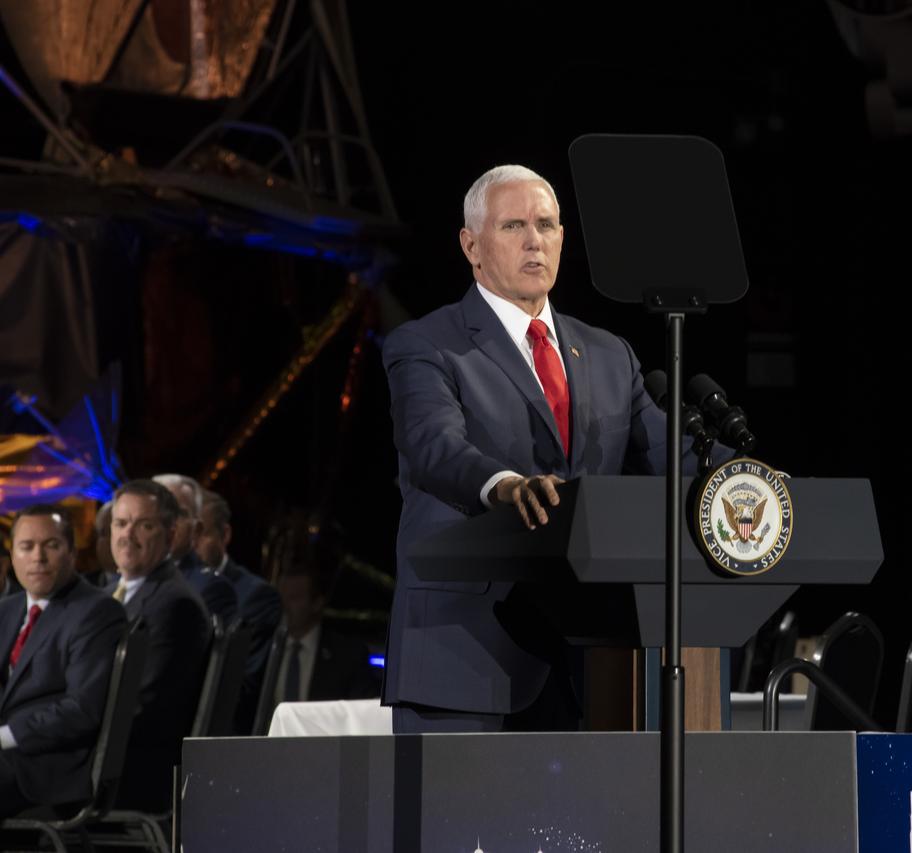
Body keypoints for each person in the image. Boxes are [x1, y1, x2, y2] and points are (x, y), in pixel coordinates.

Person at [382, 164, 703, 733]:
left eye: (547, 224)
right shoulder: (427, 343)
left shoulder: (609, 354)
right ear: (471, 246)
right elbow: (433, 445)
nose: (535, 240)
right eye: (513, 226)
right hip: (465, 656)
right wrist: (503, 485)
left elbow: (671, 457)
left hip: (590, 666)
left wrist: (745, 485)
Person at [0, 504, 126, 817]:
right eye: (26, 547)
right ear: (11, 556)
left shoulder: (97, 612)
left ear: (72, 552)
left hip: (48, 767)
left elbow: (82, 710)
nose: (37, 558)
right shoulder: (5, 610)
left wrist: (3, 736)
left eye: (51, 546)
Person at [107, 479, 211, 811]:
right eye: (121, 523)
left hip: (130, 769)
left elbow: (147, 706)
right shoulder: (106, 595)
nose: (128, 534)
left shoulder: (174, 604)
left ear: (170, 534)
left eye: (144, 525)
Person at [194, 489, 283, 732]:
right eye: (189, 530)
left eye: (201, 532)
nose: (193, 542)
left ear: (225, 535)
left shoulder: (255, 596)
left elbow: (239, 690)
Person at [271, 570, 378, 707]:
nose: (284, 606)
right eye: (280, 598)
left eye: (294, 598)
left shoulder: (348, 656)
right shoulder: (264, 648)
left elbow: (363, 712)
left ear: (317, 603)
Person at [152, 474, 236, 626]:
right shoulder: (119, 583)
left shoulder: (210, 588)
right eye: (158, 512)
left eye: (179, 514)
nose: (168, 522)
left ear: (197, 529)